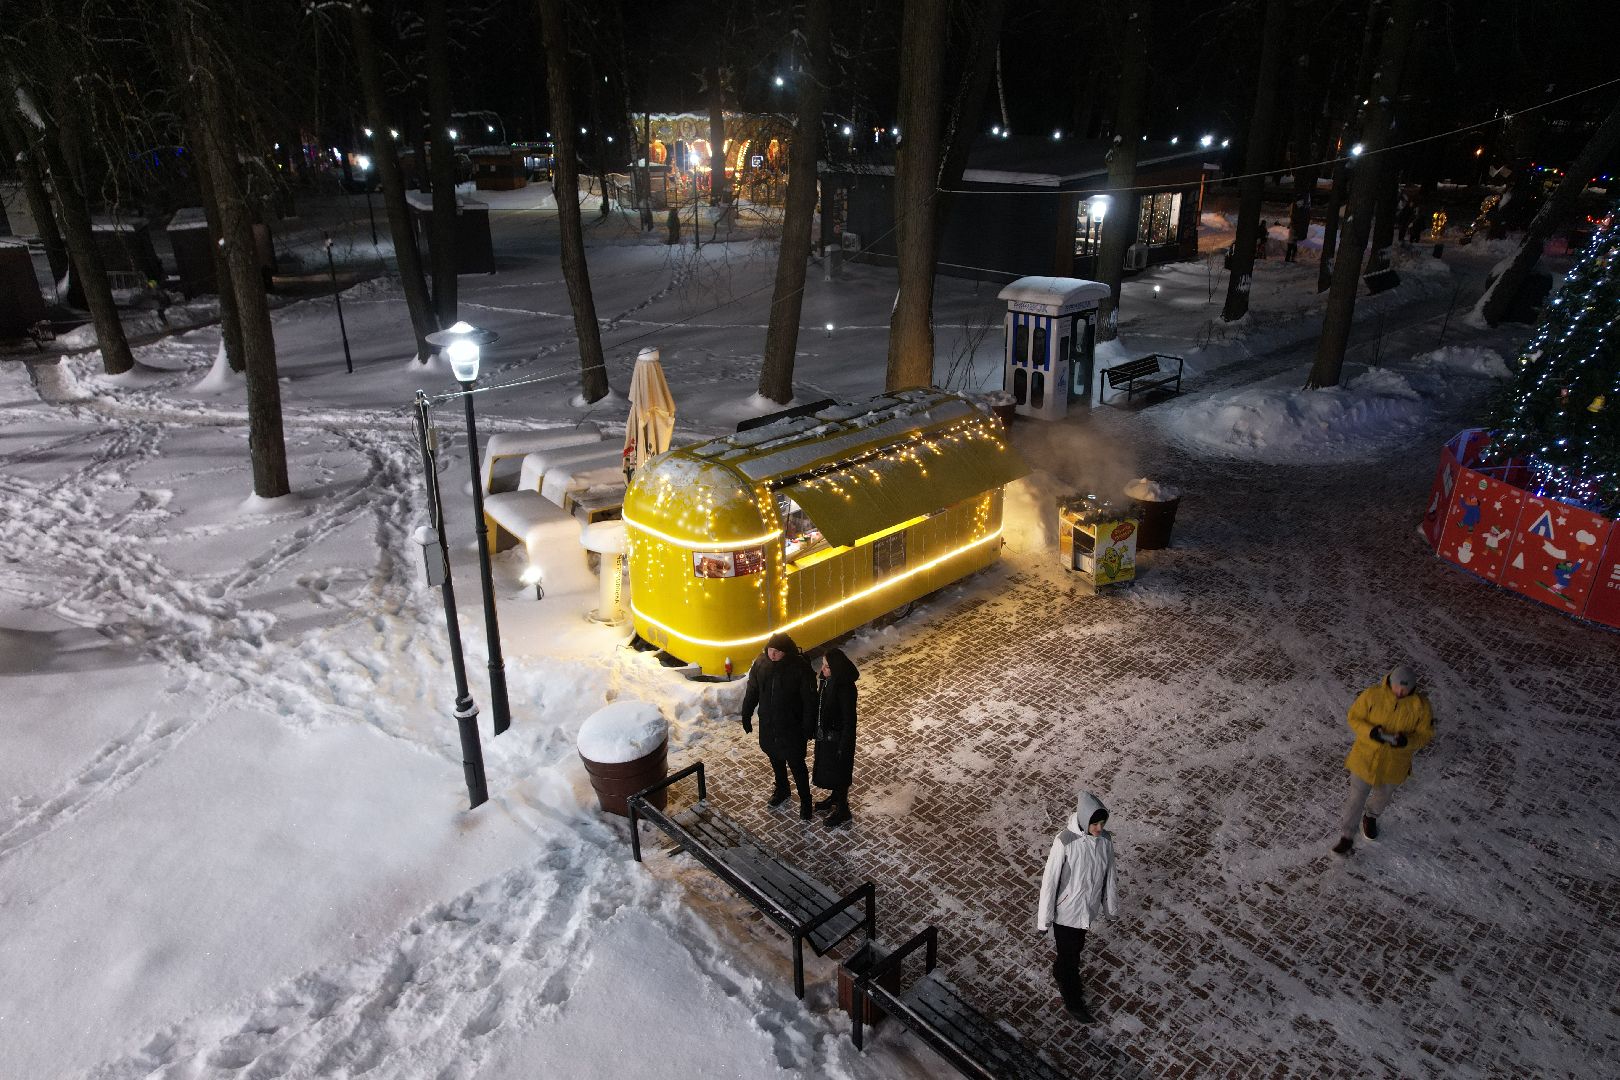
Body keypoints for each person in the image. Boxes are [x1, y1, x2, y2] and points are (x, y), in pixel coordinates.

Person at [1332, 666, 1435, 855]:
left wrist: (1406, 741)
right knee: (1356, 798)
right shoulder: (1372, 695)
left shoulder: (1421, 706)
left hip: (1394, 765)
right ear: (1390, 683)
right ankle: (1347, 836)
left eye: (1405, 689)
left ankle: (1371, 816)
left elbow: (1425, 735)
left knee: (1383, 796)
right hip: (1365, 759)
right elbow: (1354, 718)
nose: (1400, 692)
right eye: (1397, 687)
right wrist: (1371, 732)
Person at [1036, 791, 1118, 1022]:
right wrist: (1044, 920)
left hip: (1087, 912)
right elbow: (1050, 882)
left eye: (1102, 823)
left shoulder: (1105, 841)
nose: (1099, 828)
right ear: (1084, 820)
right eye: (1095, 823)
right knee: (1070, 954)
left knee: (1076, 948)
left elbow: (1110, 876)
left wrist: (1110, 908)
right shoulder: (1064, 841)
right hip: (1066, 913)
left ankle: (1063, 971)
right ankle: (1071, 995)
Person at [740, 632, 817, 820]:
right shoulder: (761, 664)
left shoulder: (800, 668)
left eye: (777, 652)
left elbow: (809, 700)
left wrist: (809, 726)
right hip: (769, 725)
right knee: (775, 759)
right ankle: (782, 789)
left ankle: (806, 800)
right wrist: (746, 713)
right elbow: (753, 690)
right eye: (770, 650)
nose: (772, 655)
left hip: (792, 728)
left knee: (797, 766)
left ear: (787, 652)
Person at [810, 649, 859, 828]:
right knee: (831, 769)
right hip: (827, 736)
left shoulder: (845, 688)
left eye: (827, 667)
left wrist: (844, 744)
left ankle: (843, 809)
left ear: (836, 668)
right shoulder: (827, 681)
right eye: (823, 665)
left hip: (838, 738)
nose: (823, 669)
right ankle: (835, 797)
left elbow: (849, 720)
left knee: (840, 772)